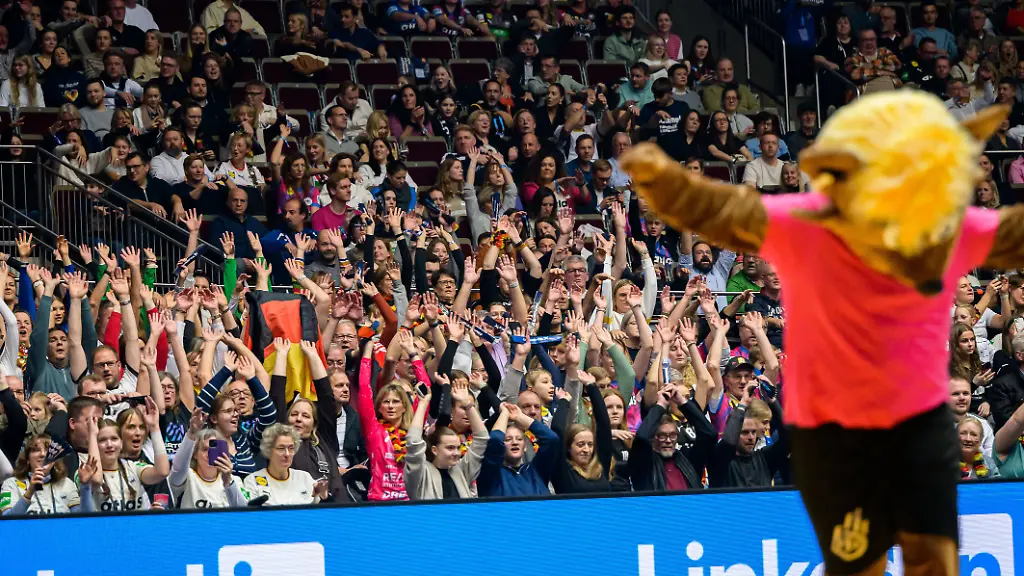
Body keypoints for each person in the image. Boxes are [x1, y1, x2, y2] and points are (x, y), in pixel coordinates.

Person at [620, 92, 1024, 576]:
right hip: (834, 434)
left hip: (918, 423)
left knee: (934, 560)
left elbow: (1013, 232)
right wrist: (670, 186)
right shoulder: (806, 222)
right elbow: (727, 211)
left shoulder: (942, 227)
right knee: (857, 565)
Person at [404, 376, 488, 500]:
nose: (457, 453)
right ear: (434, 450)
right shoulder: (420, 474)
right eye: (450, 448)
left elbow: (482, 438)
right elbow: (413, 443)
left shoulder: (461, 470)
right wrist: (423, 404)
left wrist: (468, 406)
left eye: (458, 448)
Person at [167, 407, 246, 508]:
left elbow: (244, 512)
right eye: (205, 449)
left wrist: (228, 482)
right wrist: (192, 433)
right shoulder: (187, 477)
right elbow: (178, 468)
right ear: (195, 454)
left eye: (214, 449)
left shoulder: (234, 480)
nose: (209, 453)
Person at [243, 423, 328, 505]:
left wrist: (322, 496)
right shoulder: (252, 481)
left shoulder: (304, 478)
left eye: (291, 448)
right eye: (281, 448)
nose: (287, 454)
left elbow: (319, 512)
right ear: (268, 450)